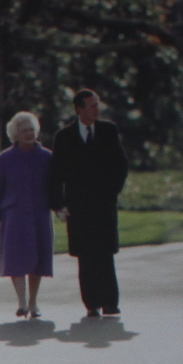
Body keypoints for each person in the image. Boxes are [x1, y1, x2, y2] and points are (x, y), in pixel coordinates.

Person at [46, 88, 128, 318]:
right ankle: (91, 303)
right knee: (85, 254)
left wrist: (112, 191)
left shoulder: (108, 131)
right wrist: (58, 204)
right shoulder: (64, 136)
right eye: (92, 106)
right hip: (78, 205)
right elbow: (55, 173)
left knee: (105, 253)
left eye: (97, 105)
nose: (96, 110)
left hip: (103, 203)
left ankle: (110, 302)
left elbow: (120, 165)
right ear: (79, 109)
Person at [0, 111, 53, 318]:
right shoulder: (4, 159)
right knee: (16, 258)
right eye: (24, 131)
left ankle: (33, 302)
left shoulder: (47, 157)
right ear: (16, 134)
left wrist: (59, 206)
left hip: (39, 214)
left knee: (37, 259)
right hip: (14, 216)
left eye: (32, 129)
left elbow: (54, 187)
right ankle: (22, 302)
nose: (29, 134)